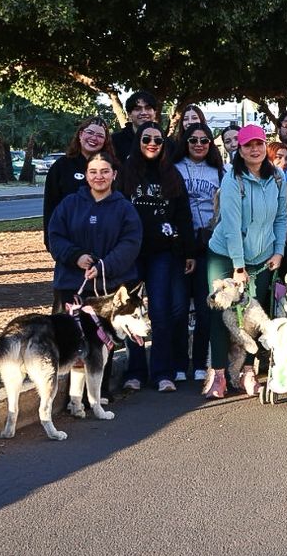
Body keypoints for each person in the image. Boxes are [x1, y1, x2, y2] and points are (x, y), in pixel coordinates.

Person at [204, 123, 287, 399]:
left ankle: (249, 372)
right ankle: (218, 375)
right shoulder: (233, 180)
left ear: (266, 146)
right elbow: (230, 225)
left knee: (255, 316)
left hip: (262, 257)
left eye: (259, 144)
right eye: (248, 145)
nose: (254, 149)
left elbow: (281, 217)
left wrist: (278, 252)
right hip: (226, 255)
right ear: (239, 149)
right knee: (220, 312)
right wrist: (238, 267)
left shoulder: (277, 178)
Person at [118, 123, 195, 393]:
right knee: (131, 311)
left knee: (161, 311)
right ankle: (135, 371)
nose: (152, 143)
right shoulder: (124, 173)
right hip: (131, 253)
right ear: (138, 141)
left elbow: (183, 216)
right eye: (146, 138)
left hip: (163, 252)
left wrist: (188, 251)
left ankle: (163, 372)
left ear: (164, 145)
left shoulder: (172, 175)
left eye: (158, 140)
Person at [48, 152, 141, 304]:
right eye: (93, 172)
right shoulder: (69, 204)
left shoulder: (125, 208)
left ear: (114, 174)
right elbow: (55, 237)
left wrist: (104, 267)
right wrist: (76, 256)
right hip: (72, 285)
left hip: (114, 289)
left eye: (105, 171)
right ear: (86, 175)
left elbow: (130, 244)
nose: (99, 177)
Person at [175, 121, 224, 387]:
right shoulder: (175, 168)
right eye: (193, 140)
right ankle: (180, 363)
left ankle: (200, 364)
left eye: (204, 140)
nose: (198, 145)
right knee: (181, 308)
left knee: (206, 310)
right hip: (182, 245)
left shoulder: (219, 170)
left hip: (209, 244)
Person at [43, 115, 117, 266]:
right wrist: (51, 243)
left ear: (105, 141)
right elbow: (50, 205)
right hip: (70, 243)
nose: (94, 138)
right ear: (81, 134)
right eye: (90, 133)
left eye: (100, 135)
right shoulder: (61, 166)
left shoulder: (112, 167)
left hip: (104, 243)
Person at [112, 90, 161, 162]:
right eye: (138, 109)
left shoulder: (166, 142)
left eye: (148, 108)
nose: (144, 113)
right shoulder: (115, 141)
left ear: (155, 113)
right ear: (129, 114)